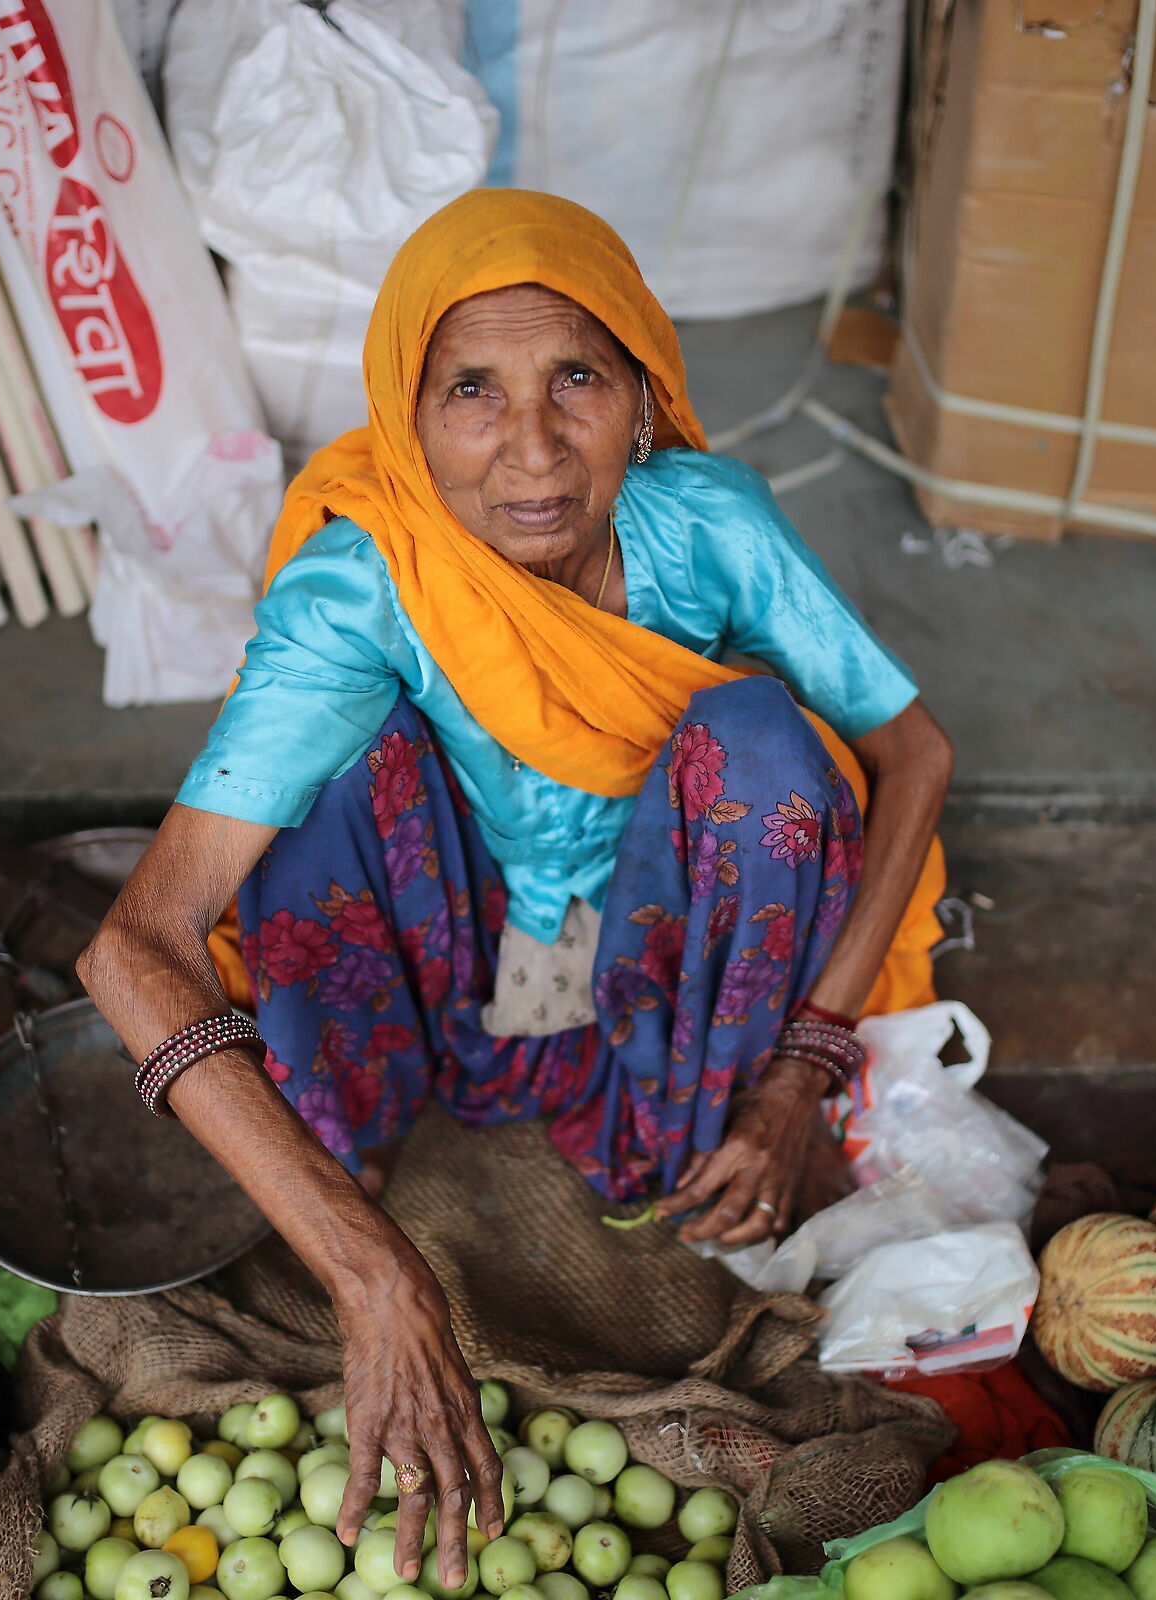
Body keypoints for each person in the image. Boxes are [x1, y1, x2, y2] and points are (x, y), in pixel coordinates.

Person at [79, 189, 953, 1592]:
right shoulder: (370, 578)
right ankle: (352, 1131)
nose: (533, 450)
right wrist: (370, 1271)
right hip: (448, 962)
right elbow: (134, 948)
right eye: (472, 391)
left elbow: (912, 753)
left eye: (578, 383)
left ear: (645, 401)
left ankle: (681, 1130)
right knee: (332, 758)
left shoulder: (708, 529)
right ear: (405, 416)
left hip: (651, 976)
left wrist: (805, 1064)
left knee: (776, 756)